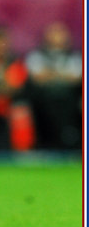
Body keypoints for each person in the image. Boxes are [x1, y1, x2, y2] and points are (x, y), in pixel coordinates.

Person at [25, 22, 82, 150]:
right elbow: (38, 78)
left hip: (69, 101)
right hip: (43, 103)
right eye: (53, 33)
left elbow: (76, 78)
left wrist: (52, 75)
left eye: (60, 33)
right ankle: (43, 143)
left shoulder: (75, 57)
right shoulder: (36, 56)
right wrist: (62, 75)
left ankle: (71, 141)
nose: (56, 37)